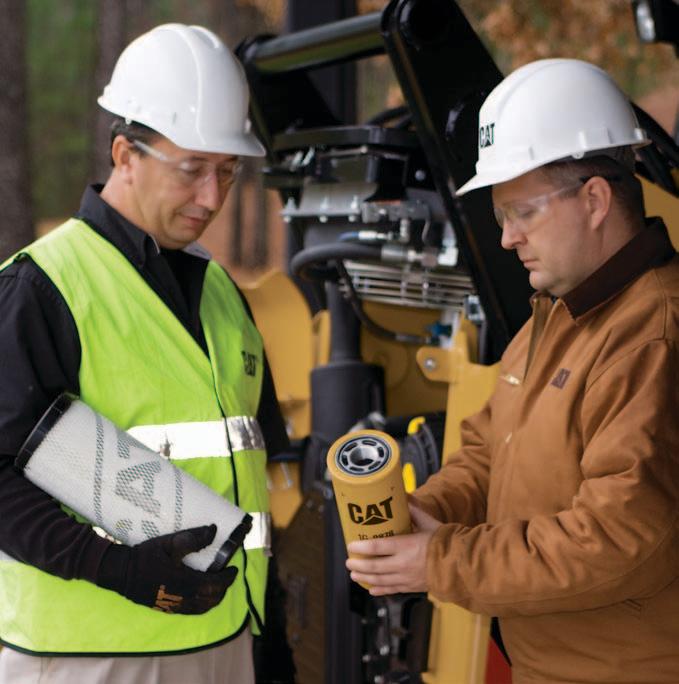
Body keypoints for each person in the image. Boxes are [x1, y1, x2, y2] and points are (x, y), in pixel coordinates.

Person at [346, 58, 679, 683]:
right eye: (501, 217)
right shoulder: (553, 318)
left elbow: (622, 538)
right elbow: (487, 453)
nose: (506, 239)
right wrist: (423, 514)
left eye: (522, 213)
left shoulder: (652, 335)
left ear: (596, 199)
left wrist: (441, 561)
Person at [0, 23, 292, 684]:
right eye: (191, 170)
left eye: (227, 172)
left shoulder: (222, 294)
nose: (213, 199)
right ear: (125, 155)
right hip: (88, 658)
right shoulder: (41, 288)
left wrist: (267, 636)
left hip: (225, 640)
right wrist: (115, 567)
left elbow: (251, 472)